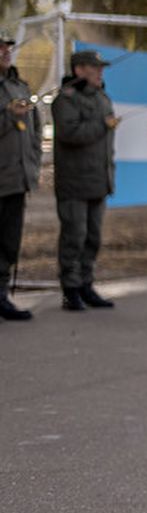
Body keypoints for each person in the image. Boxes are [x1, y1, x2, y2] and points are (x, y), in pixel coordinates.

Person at [52, 48, 118, 311]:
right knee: (74, 236)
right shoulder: (65, 99)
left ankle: (86, 284)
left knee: (93, 237)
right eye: (95, 67)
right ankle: (70, 289)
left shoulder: (103, 97)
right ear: (79, 70)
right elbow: (70, 133)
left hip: (98, 180)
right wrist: (103, 125)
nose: (101, 71)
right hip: (74, 182)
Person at [0, 33, 42, 321]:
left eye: (7, 47)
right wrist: (6, 115)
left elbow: (35, 131)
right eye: (0, 48)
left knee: (8, 241)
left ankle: (1, 295)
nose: (6, 52)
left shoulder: (19, 86)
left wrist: (33, 164)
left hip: (16, 178)